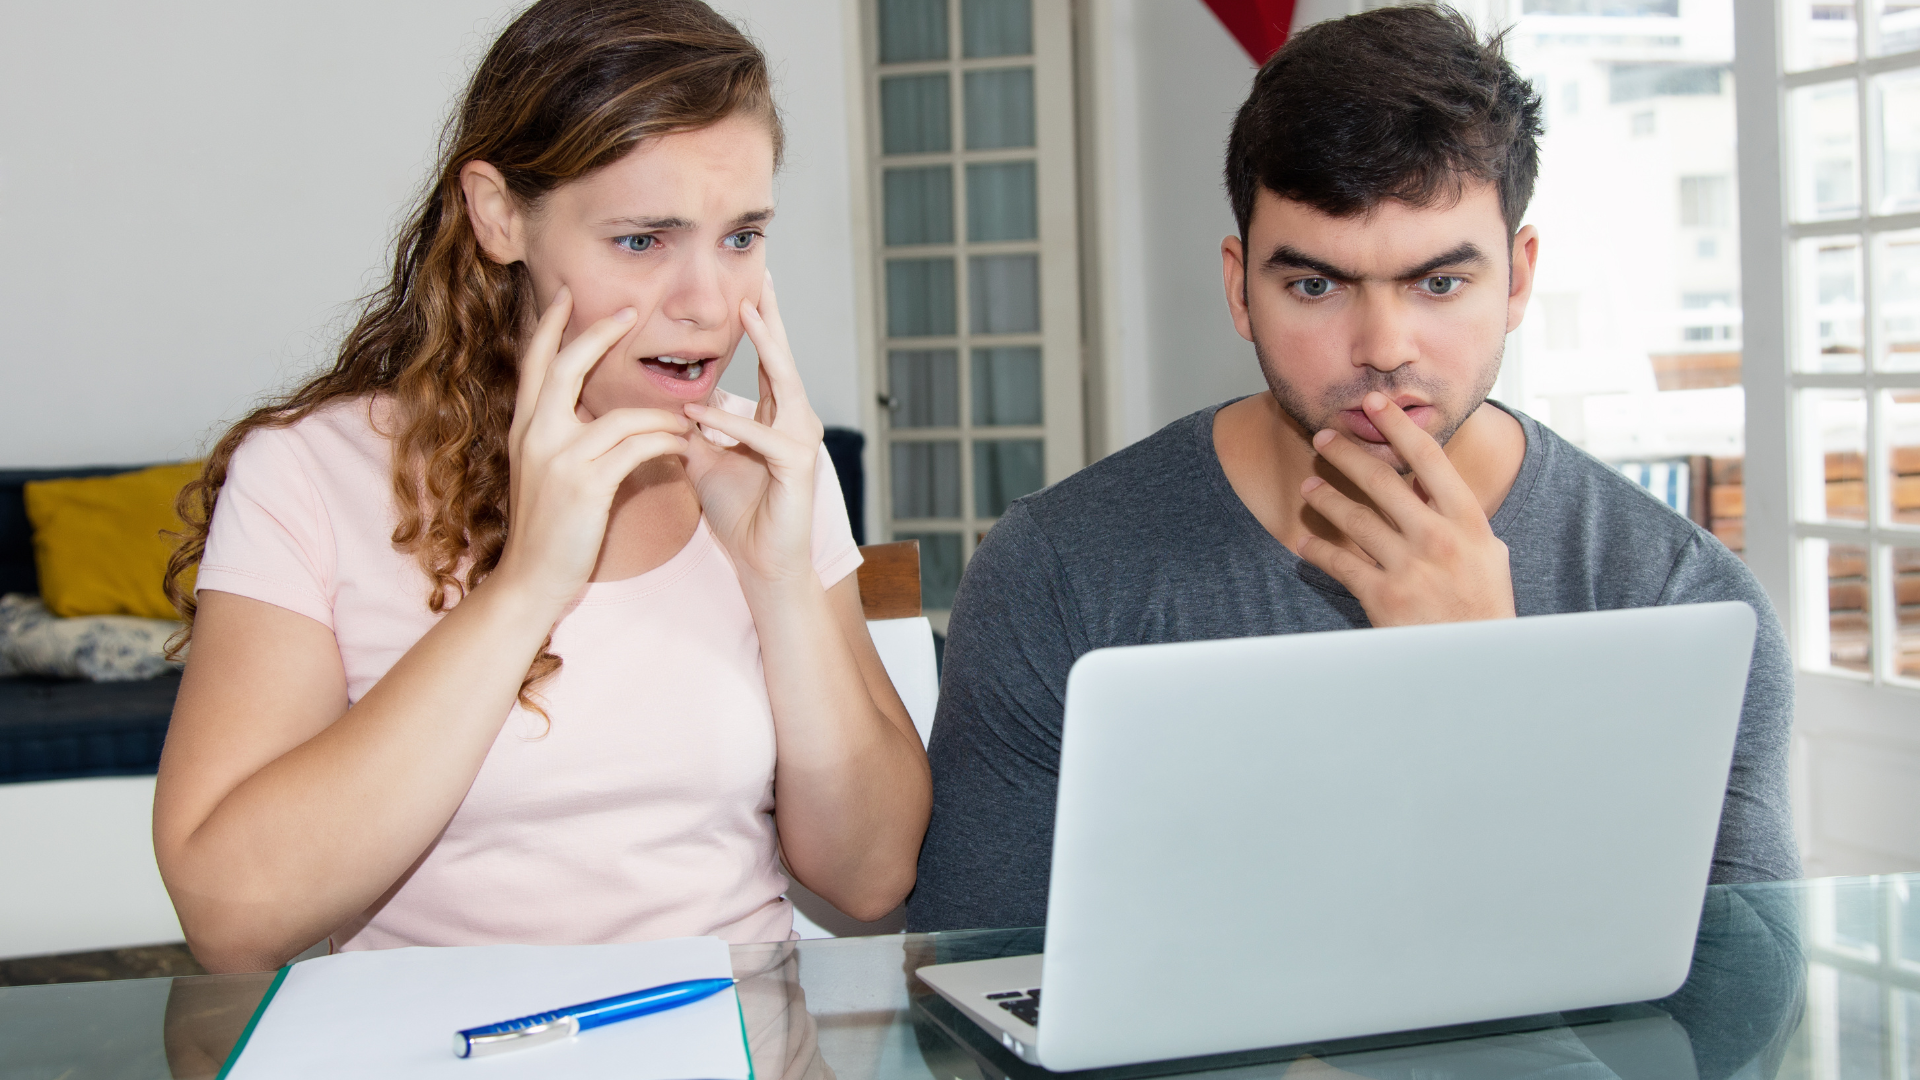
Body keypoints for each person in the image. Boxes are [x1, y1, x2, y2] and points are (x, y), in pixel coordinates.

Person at [906, 5, 1796, 933]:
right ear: (1239, 288)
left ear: (1519, 279)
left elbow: (1744, 1002)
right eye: (1316, 285)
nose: (1382, 347)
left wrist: (1496, 691)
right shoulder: (1059, 571)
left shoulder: (1674, 596)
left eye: (1439, 283)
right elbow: (967, 967)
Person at [153, 0, 930, 973]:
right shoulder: (310, 474)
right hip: (440, 1040)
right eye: (643, 240)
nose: (708, 305)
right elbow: (232, 919)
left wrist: (780, 581)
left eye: (741, 237)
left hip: (740, 1031)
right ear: (499, 215)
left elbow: (871, 875)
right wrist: (527, 585)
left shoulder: (770, 461)